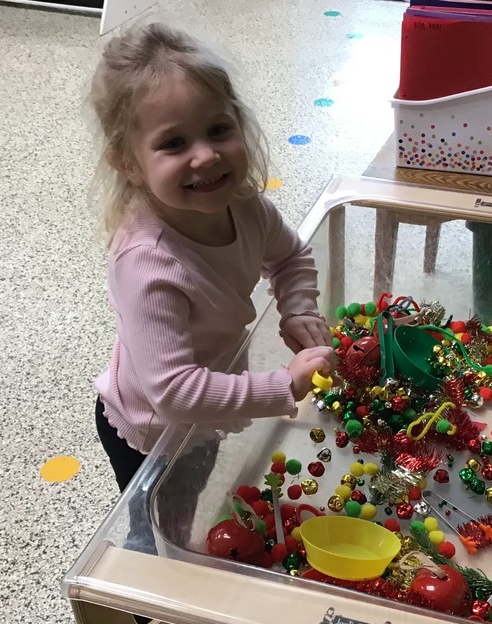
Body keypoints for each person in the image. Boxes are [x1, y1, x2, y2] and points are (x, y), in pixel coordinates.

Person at [89, 23, 334, 553]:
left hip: (204, 409)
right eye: (174, 143)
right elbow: (174, 392)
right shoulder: (148, 264)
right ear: (128, 162)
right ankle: (147, 585)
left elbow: (291, 256)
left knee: (191, 496)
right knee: (161, 528)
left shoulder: (245, 206)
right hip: (151, 430)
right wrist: (283, 386)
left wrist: (296, 309)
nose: (206, 156)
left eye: (219, 130)